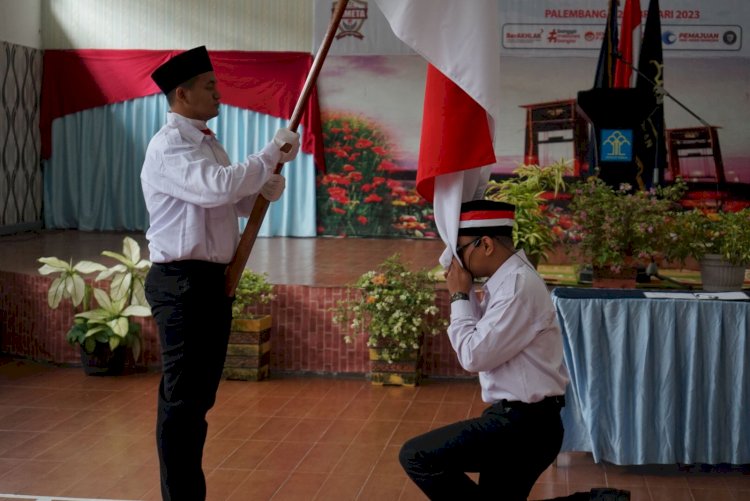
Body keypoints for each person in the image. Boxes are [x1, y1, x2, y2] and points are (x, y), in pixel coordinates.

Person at [141, 46, 300, 501]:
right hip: (180, 283)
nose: (218, 93)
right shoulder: (168, 145)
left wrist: (266, 184)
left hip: (210, 282)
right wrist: (268, 154)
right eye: (209, 86)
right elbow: (216, 189)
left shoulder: (208, 142)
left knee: (196, 400)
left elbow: (231, 202)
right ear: (182, 93)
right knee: (183, 402)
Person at [399, 199, 570, 500]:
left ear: (487, 245)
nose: (456, 263)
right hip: (519, 420)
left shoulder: (517, 286)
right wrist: (465, 293)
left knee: (417, 455)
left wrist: (458, 296)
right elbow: (481, 338)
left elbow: (473, 355)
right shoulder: (505, 282)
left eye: (460, 252)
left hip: (525, 426)